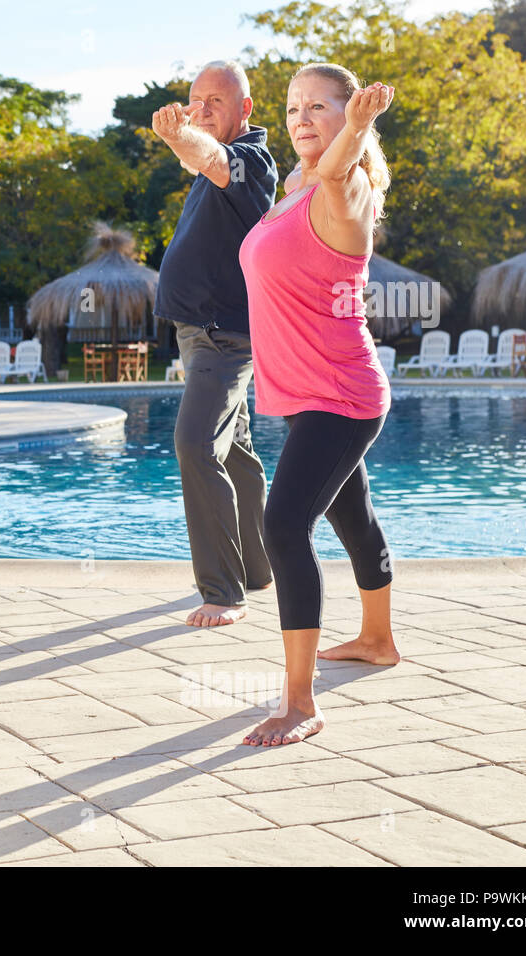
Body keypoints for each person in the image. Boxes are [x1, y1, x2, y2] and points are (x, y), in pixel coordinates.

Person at [237, 65, 400, 746]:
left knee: (283, 526)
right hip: (309, 396)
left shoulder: (347, 186)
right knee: (353, 515)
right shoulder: (290, 192)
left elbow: (337, 173)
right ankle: (377, 640)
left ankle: (300, 703)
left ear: (350, 115)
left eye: (321, 107)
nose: (302, 117)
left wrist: (359, 128)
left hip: (341, 395)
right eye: (294, 107)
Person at [150, 60, 276, 629]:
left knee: (196, 446)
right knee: (237, 453)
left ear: (244, 109)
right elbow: (200, 156)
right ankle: (259, 566)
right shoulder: (208, 164)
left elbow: (211, 157)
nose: (202, 110)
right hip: (198, 331)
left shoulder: (252, 159)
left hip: (224, 336)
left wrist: (180, 133)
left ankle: (223, 593)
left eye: (215, 102)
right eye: (195, 99)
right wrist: (187, 139)